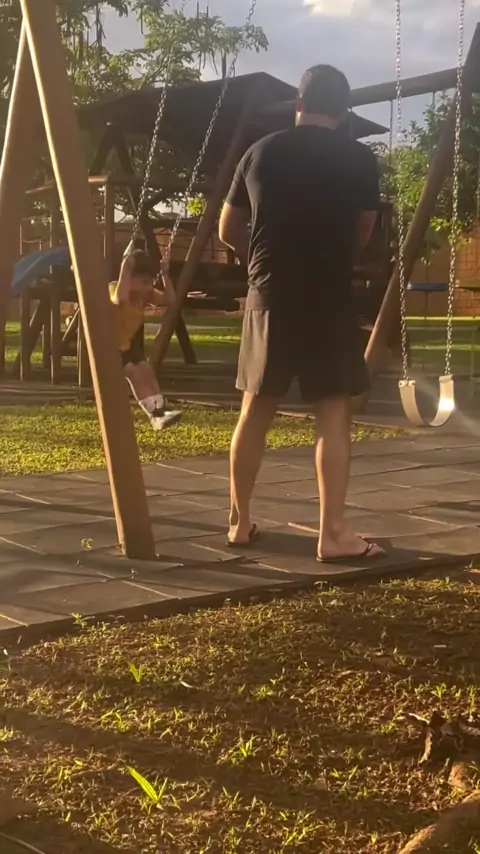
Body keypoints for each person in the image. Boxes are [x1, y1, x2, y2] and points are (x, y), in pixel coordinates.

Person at [219, 64, 384, 562]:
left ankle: (239, 523)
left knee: (255, 409)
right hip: (328, 297)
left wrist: (258, 261)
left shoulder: (261, 151)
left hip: (270, 293)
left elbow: (228, 228)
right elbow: (364, 230)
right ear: (344, 111)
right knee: (332, 412)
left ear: (299, 103)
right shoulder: (359, 159)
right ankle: (332, 534)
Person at [110, 250, 182, 431]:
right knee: (134, 373)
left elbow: (170, 299)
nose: (148, 287)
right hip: (110, 346)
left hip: (129, 342)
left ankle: (161, 410)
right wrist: (126, 267)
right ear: (129, 279)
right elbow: (119, 299)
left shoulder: (146, 294)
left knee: (146, 371)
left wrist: (165, 274)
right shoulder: (116, 287)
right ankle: (154, 413)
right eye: (143, 283)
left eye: (150, 283)